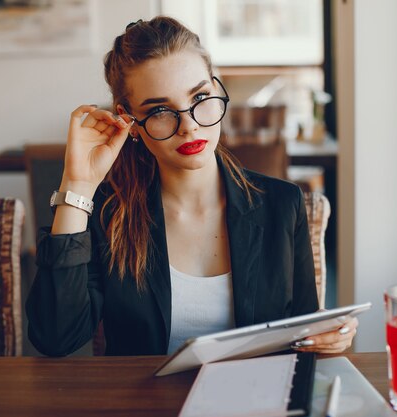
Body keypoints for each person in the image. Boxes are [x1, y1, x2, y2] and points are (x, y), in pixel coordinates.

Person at [26, 16, 358, 356]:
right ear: (129, 121)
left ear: (216, 88)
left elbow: (303, 331)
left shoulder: (283, 204)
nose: (188, 125)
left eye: (199, 96)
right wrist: (78, 187)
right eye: (159, 109)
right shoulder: (110, 214)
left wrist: (328, 336)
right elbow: (56, 338)